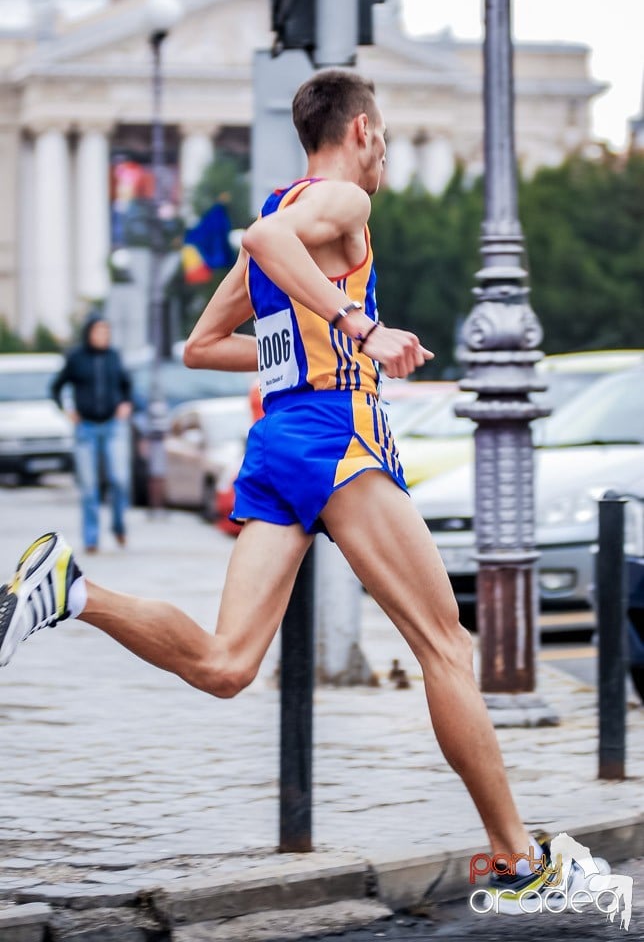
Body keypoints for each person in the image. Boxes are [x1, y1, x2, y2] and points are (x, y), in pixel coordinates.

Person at [0, 70, 607, 911]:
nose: (387, 148)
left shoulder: (295, 212)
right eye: (383, 132)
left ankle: (71, 589)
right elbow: (260, 239)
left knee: (226, 664)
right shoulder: (341, 205)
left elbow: (202, 347)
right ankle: (517, 859)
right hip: (335, 439)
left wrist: (312, 340)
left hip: (280, 441)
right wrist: (359, 327)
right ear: (359, 131)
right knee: (445, 646)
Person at [50, 313, 133, 553]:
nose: (103, 336)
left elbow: (127, 386)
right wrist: (67, 410)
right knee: (88, 486)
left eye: (106, 331)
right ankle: (91, 538)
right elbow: (56, 387)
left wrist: (125, 404)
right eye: (99, 331)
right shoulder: (76, 358)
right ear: (89, 333)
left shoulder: (114, 357)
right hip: (85, 427)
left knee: (119, 479)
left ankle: (118, 526)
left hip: (113, 425)